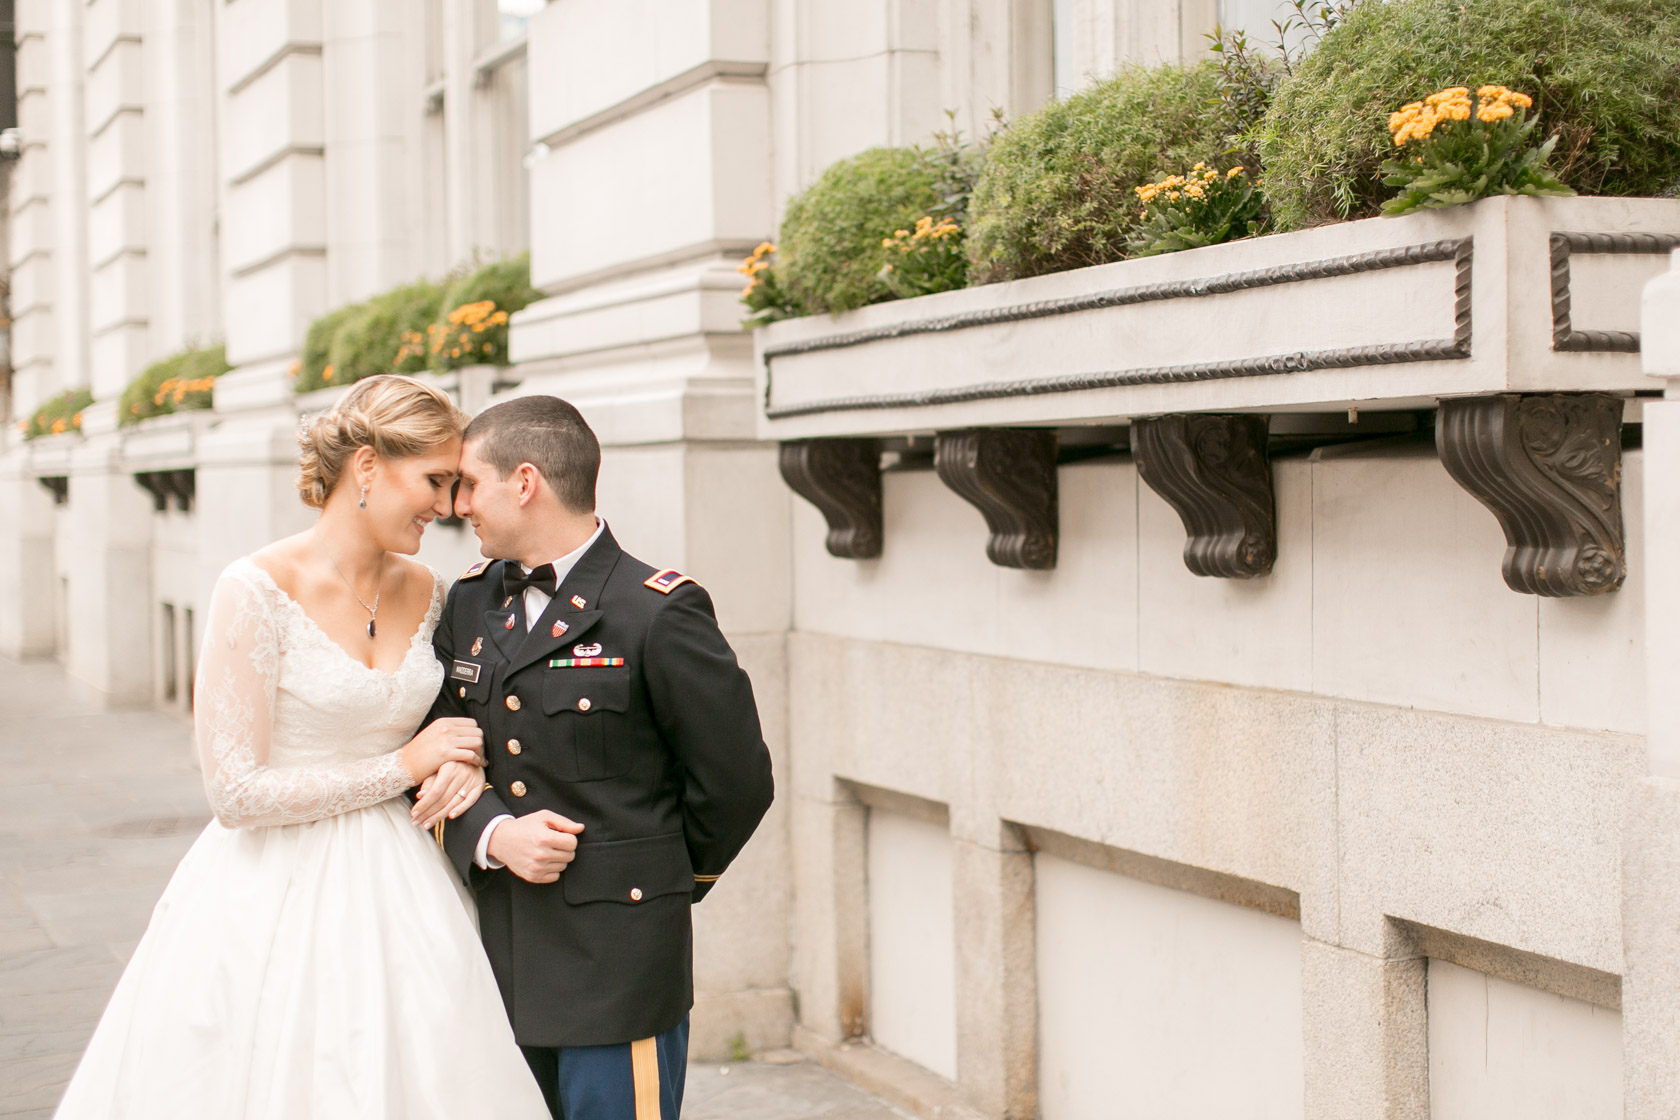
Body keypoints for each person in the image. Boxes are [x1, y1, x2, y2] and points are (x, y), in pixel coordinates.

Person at [53, 375, 551, 1119]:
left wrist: (455, 758)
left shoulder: (435, 590)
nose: (449, 506)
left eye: (455, 484)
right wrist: (403, 766)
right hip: (269, 890)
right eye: (435, 480)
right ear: (368, 466)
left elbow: (450, 718)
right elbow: (234, 794)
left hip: (407, 886)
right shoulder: (253, 590)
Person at [410, 395, 774, 1120]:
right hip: (493, 957)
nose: (457, 507)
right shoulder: (469, 607)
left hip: (619, 965)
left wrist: (649, 883)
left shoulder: (657, 611)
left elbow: (735, 783)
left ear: (524, 482)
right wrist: (490, 834)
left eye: (469, 484)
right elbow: (433, 743)